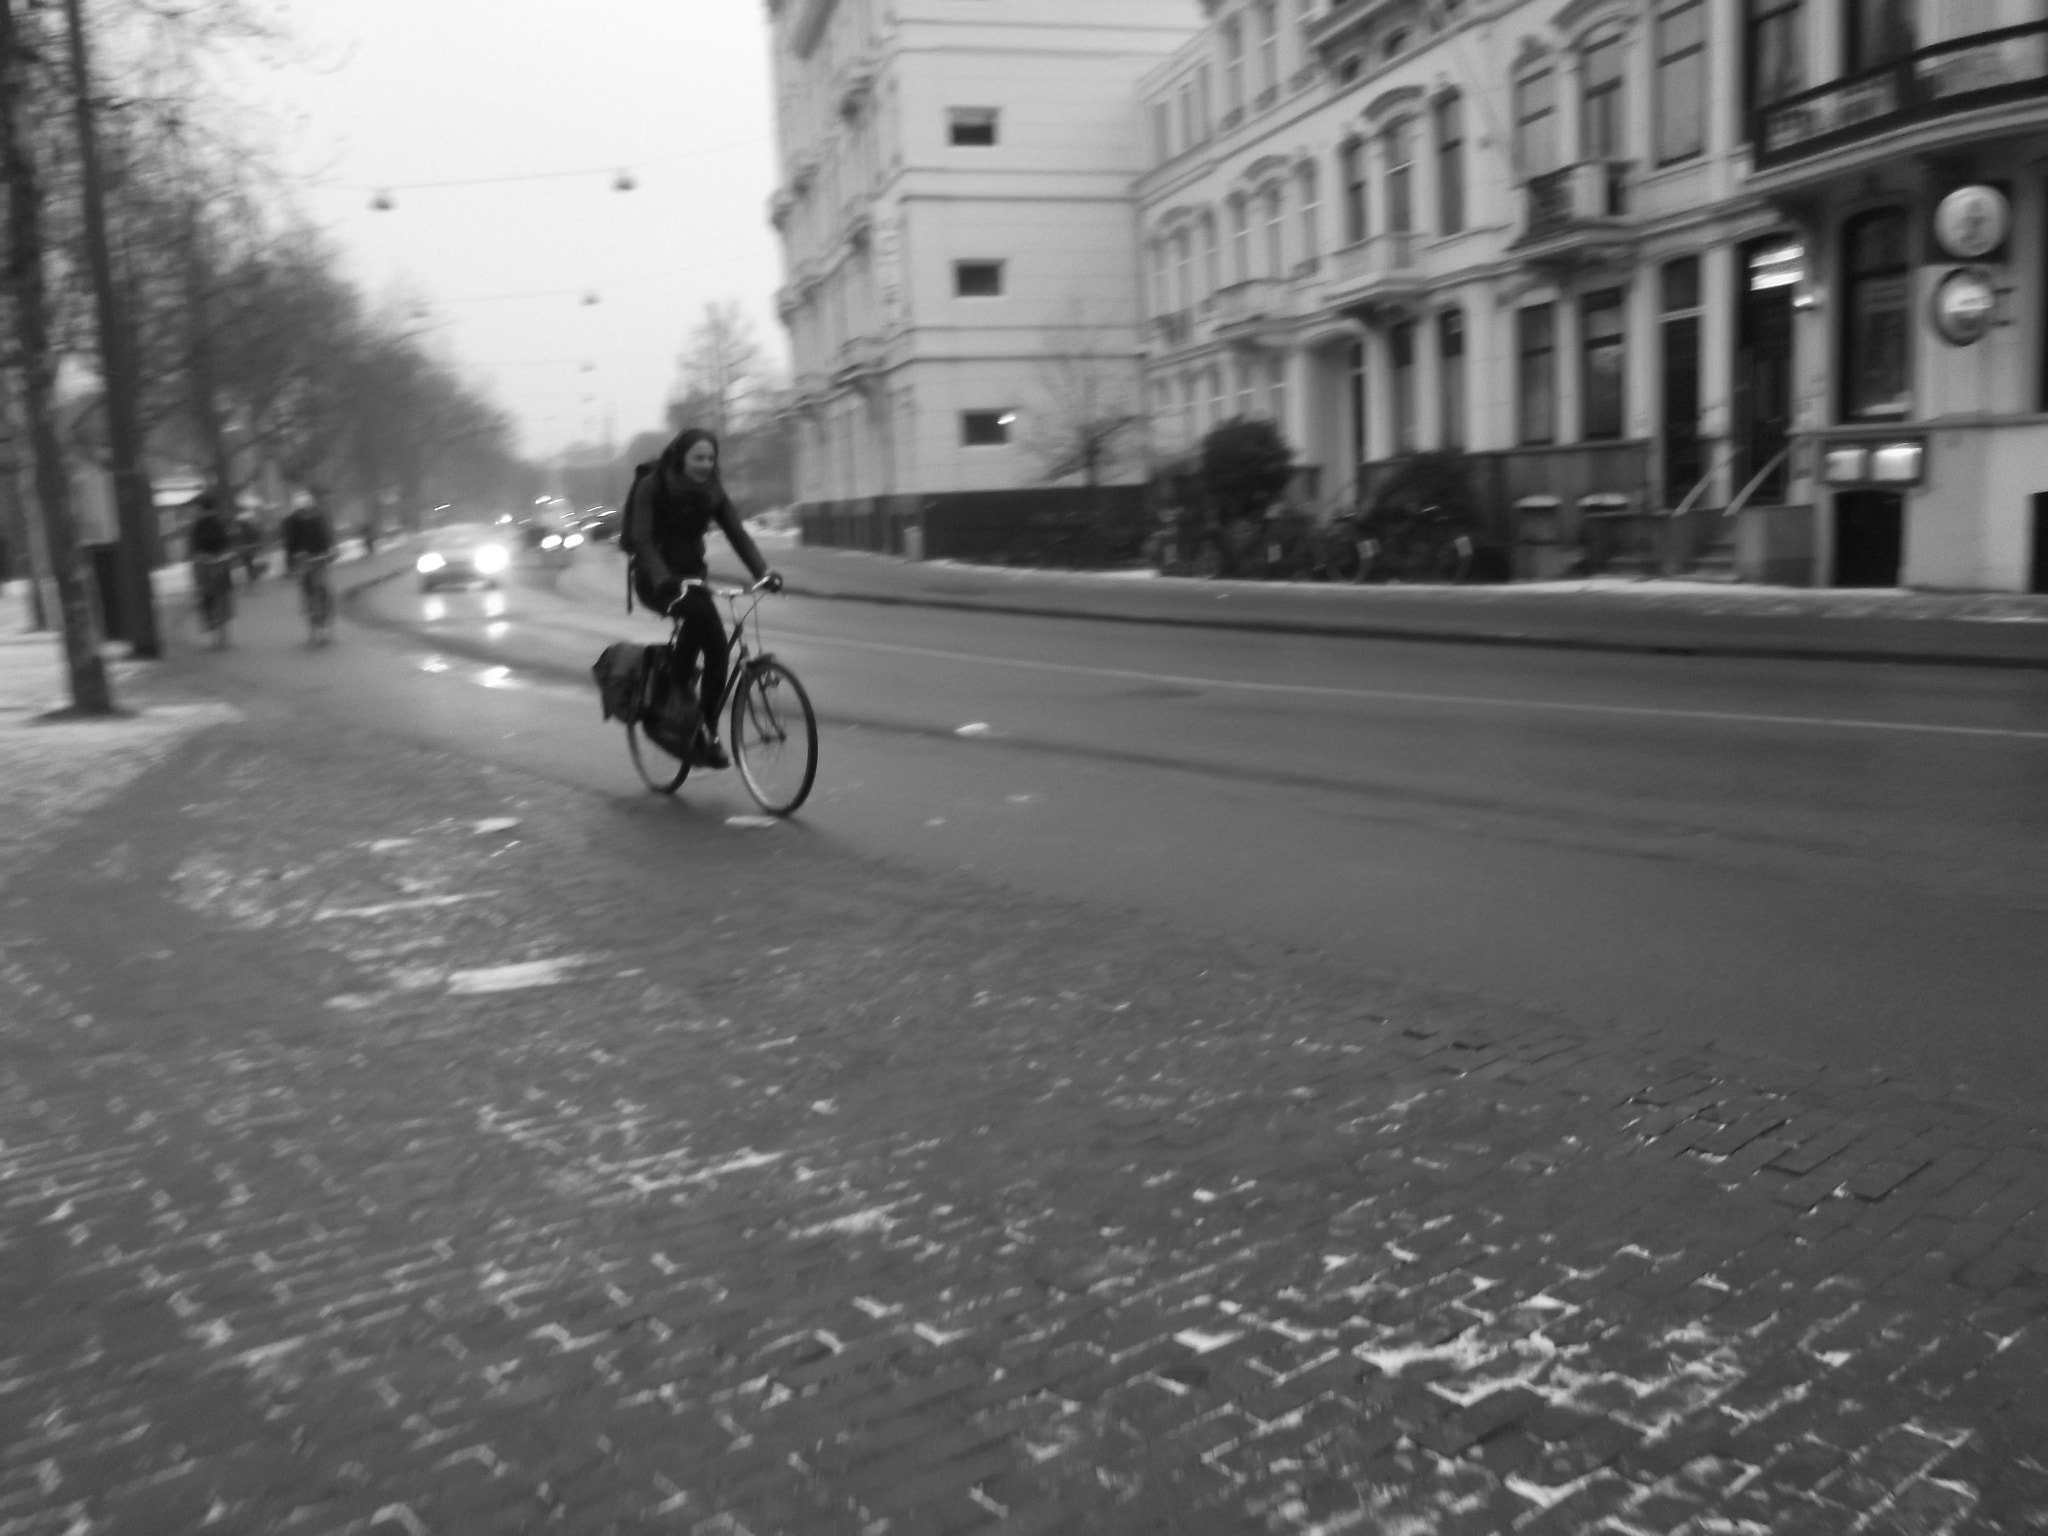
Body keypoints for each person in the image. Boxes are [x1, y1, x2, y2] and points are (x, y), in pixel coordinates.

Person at [622, 428, 782, 770]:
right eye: (699, 457)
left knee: (712, 643)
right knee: (710, 633)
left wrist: (762, 572)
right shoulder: (655, 485)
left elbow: (737, 533)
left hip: (693, 579)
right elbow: (641, 539)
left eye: (711, 458)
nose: (706, 464)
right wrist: (662, 577)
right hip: (655, 580)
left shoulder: (712, 491)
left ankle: (700, 725)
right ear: (681, 457)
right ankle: (689, 713)